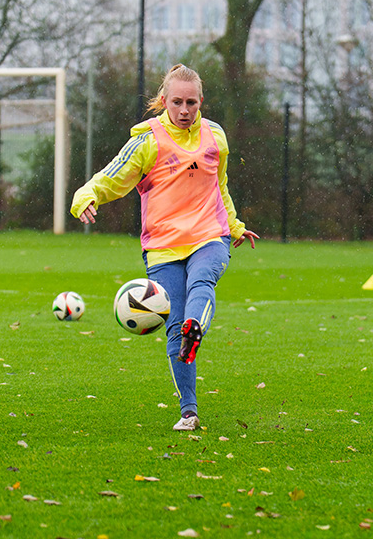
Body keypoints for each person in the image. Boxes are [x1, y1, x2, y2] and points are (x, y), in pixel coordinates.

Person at [71, 63, 259, 433]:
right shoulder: (147, 141)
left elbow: (219, 186)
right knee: (174, 329)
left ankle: (195, 327)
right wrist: (85, 196)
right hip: (163, 246)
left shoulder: (215, 136)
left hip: (210, 235)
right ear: (163, 101)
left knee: (202, 280)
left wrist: (234, 226)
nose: (184, 110)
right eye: (177, 102)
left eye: (191, 102)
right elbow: (112, 176)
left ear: (201, 101)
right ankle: (189, 411)